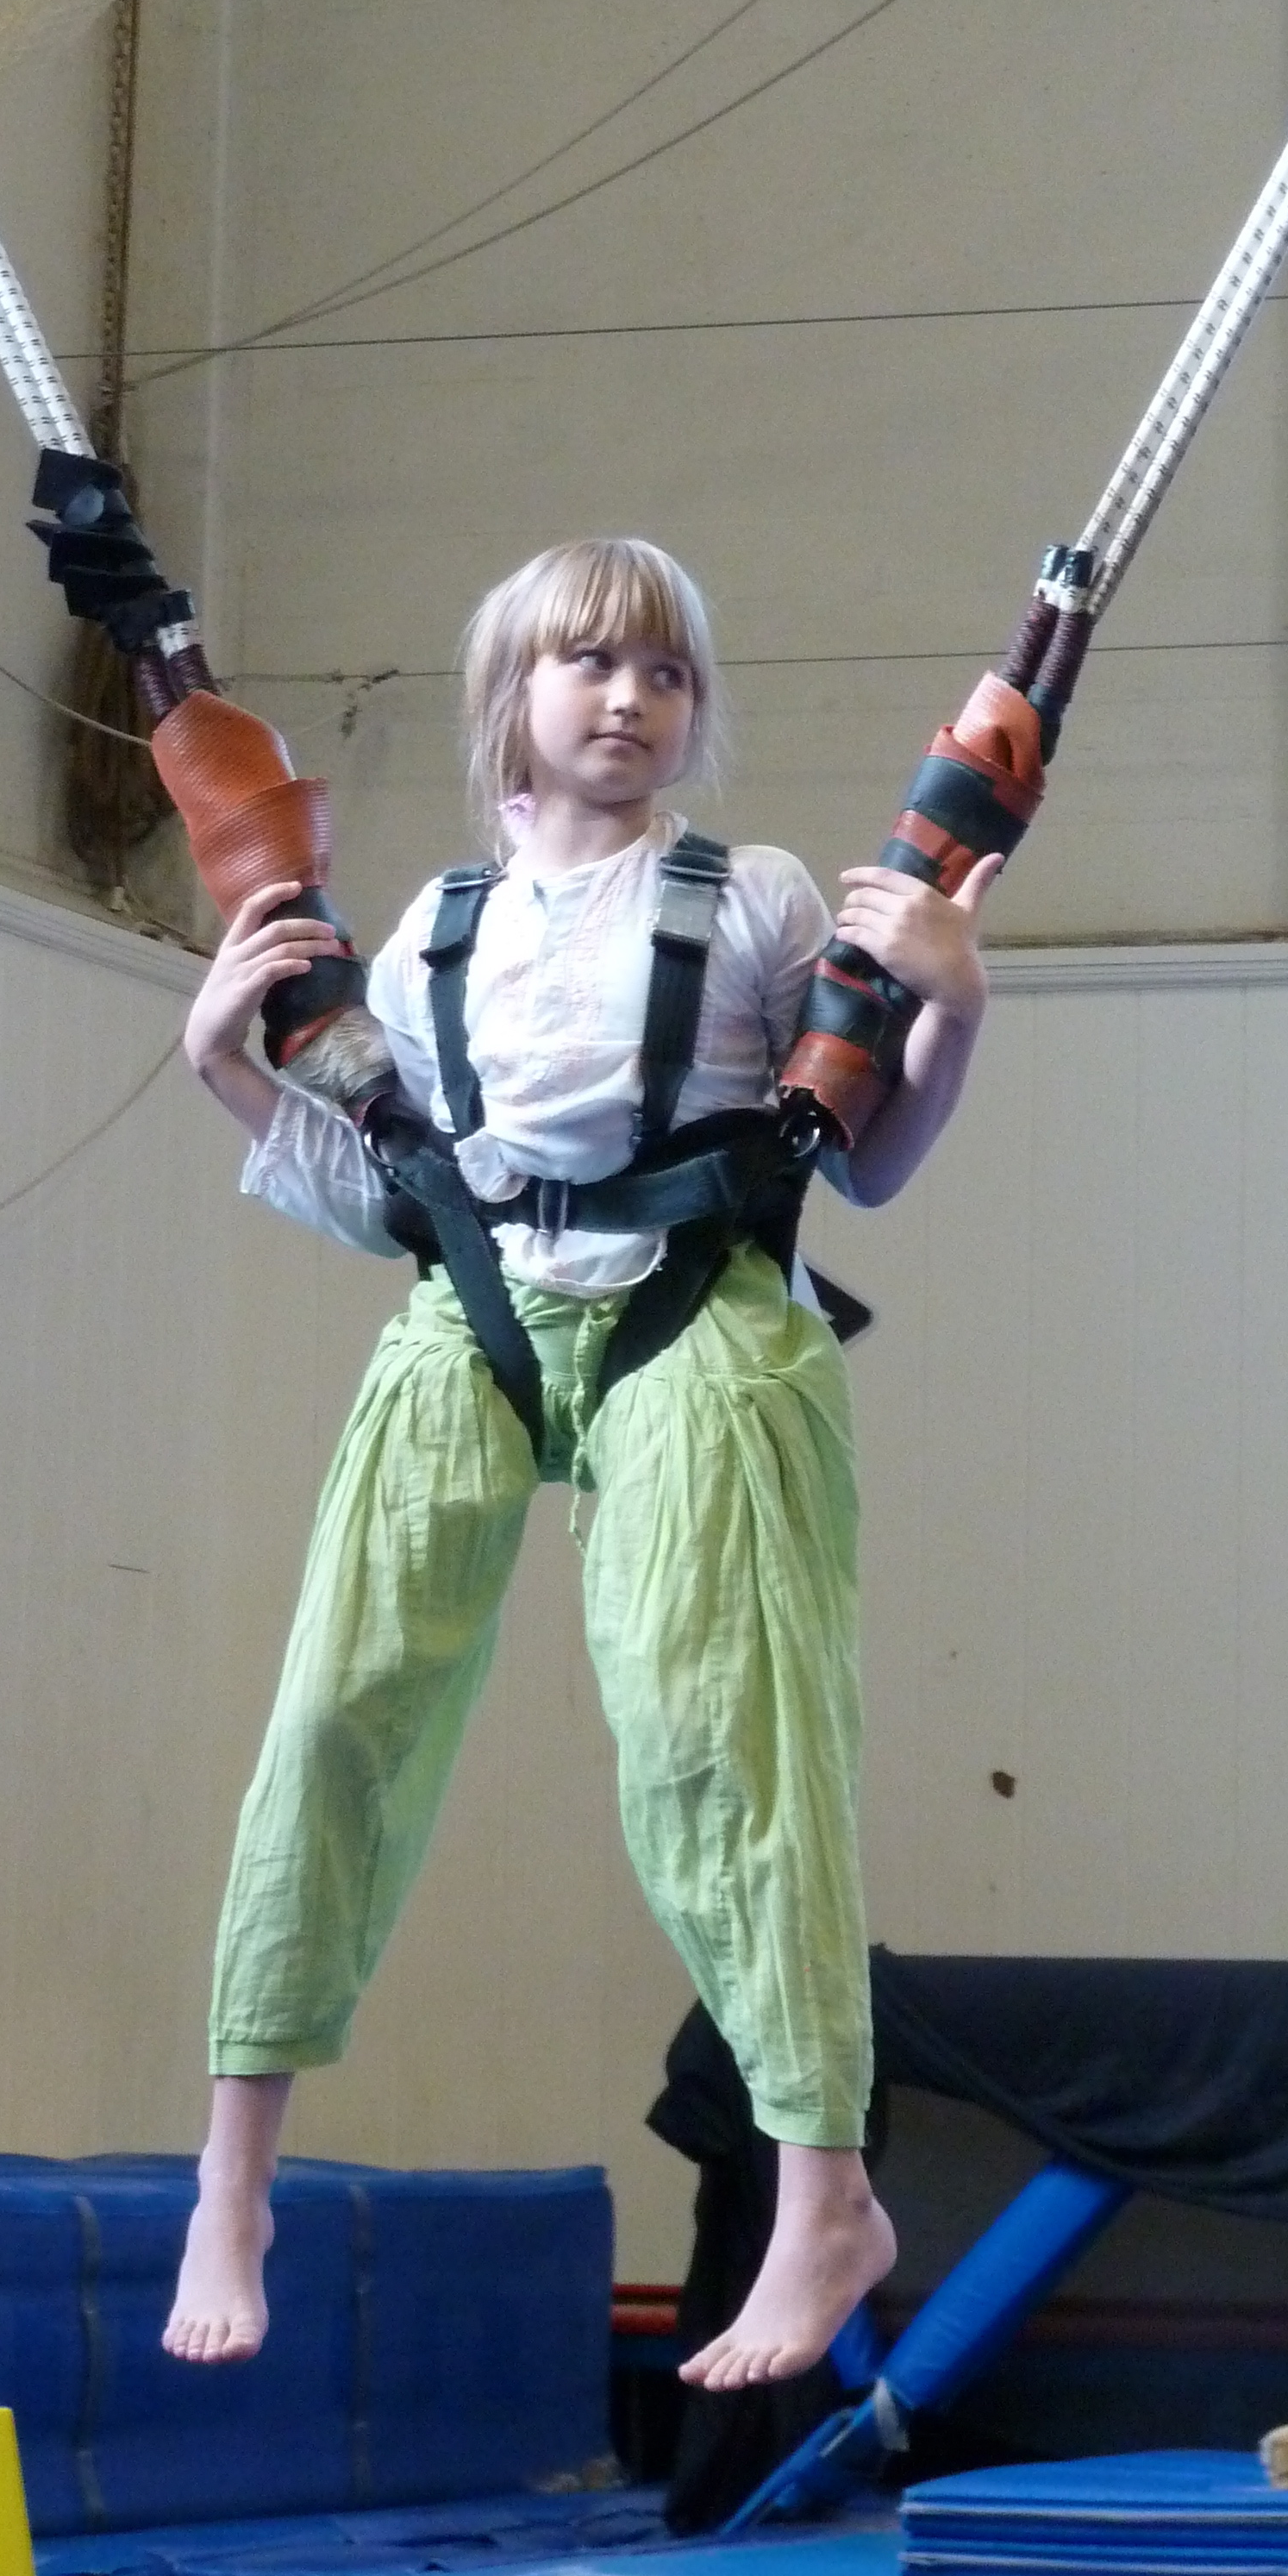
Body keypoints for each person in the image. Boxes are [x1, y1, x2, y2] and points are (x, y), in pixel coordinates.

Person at [166, 537, 1001, 2390]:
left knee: (726, 1737)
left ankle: (826, 2195)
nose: (631, 697)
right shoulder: (435, 929)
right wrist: (225, 1063)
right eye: (592, 663)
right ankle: (233, 2179)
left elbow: (865, 1160)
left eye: (666, 671)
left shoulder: (756, 898)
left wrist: (951, 1001)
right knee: (333, 1715)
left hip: (695, 1312)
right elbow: (390, 1193)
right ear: (513, 699)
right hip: (475, 1312)